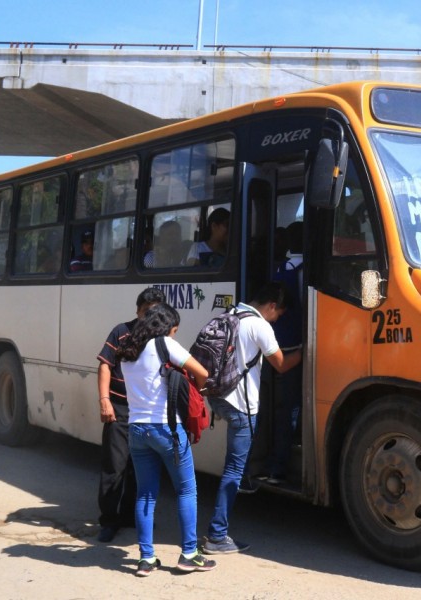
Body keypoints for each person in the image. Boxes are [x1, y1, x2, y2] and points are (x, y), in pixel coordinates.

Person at [202, 281, 302, 555]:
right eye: (279, 313)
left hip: (218, 397)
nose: (278, 317)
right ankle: (217, 535)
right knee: (232, 471)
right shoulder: (260, 326)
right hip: (242, 406)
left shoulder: (230, 314)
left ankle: (246, 479)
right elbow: (281, 365)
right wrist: (306, 350)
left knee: (235, 466)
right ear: (271, 306)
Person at [116, 303, 215, 577]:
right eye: (174, 330)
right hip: (166, 429)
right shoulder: (164, 345)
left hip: (136, 430)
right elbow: (202, 373)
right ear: (165, 328)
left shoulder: (127, 350)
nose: (174, 334)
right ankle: (189, 554)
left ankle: (146, 559)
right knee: (186, 490)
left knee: (146, 493)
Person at [96, 287, 166, 544]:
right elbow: (105, 364)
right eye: (146, 312)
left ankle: (130, 516)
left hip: (146, 412)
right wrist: (105, 401)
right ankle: (109, 521)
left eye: (155, 312)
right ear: (137, 311)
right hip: (120, 409)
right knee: (114, 468)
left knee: (140, 469)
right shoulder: (121, 332)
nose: (150, 317)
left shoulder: (161, 337)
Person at [265, 221, 304, 484]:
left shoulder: (283, 270)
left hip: (284, 346)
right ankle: (280, 464)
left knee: (283, 408)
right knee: (291, 408)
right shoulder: (307, 270)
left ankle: (278, 466)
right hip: (301, 347)